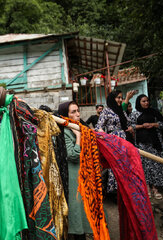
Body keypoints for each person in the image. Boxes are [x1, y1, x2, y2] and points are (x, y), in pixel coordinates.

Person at [58, 101, 92, 240]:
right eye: (73, 112)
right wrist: (78, 137)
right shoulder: (67, 130)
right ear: (66, 115)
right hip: (73, 176)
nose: (77, 114)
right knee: (77, 210)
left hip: (82, 174)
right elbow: (72, 155)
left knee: (83, 209)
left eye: (78, 111)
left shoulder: (80, 127)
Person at [130, 94, 163, 199]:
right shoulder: (135, 114)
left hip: (154, 143)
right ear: (139, 102)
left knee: (155, 165)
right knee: (145, 166)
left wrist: (153, 124)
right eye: (143, 101)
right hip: (142, 144)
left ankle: (155, 188)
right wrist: (142, 126)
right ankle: (147, 188)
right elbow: (131, 126)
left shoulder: (154, 112)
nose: (146, 103)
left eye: (147, 101)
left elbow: (162, 124)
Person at [95, 90, 134, 193]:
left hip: (125, 140)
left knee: (126, 165)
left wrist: (130, 128)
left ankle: (126, 190)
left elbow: (128, 123)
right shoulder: (106, 111)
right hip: (114, 141)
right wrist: (106, 137)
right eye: (118, 97)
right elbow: (98, 126)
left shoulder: (121, 110)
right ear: (112, 98)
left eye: (121, 97)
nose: (120, 100)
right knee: (116, 165)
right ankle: (116, 191)